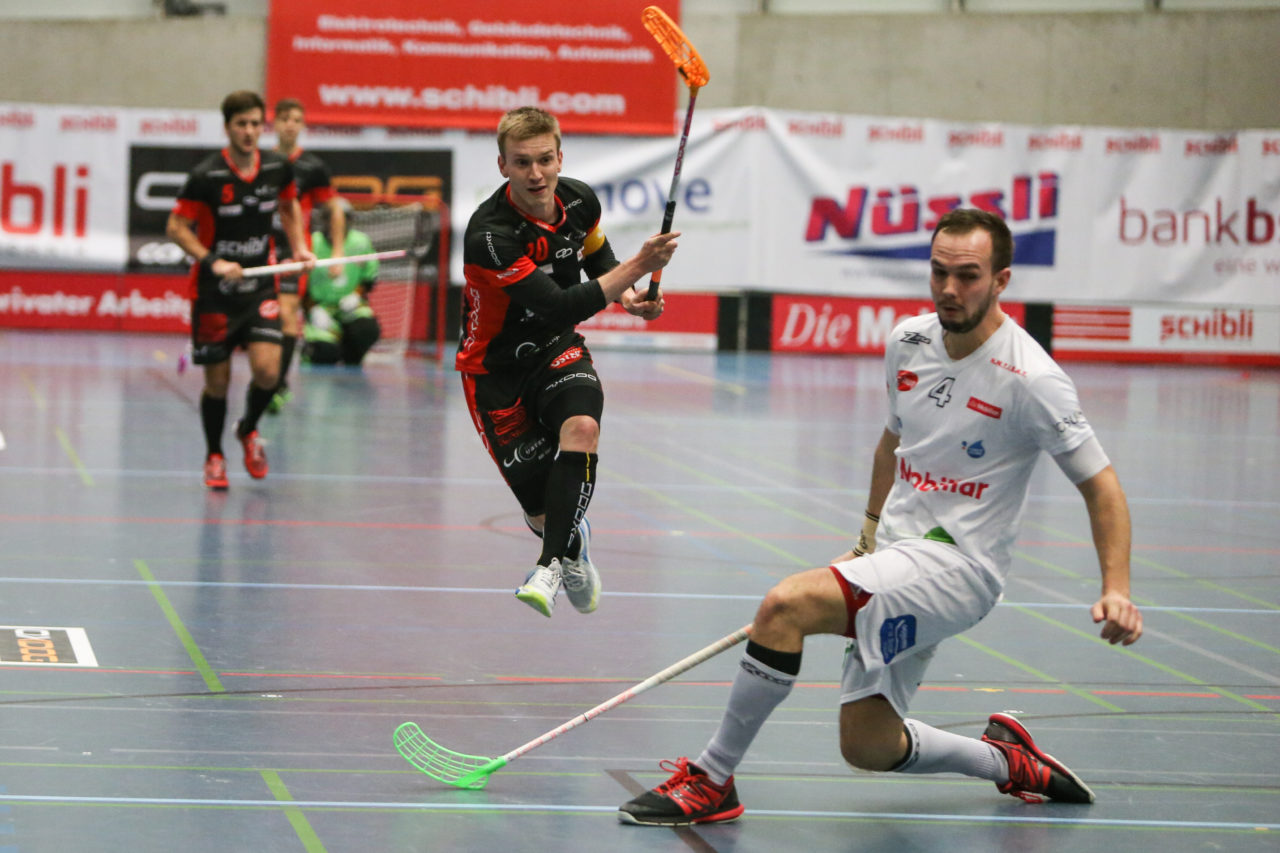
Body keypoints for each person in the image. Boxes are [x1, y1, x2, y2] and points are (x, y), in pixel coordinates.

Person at [618, 208, 1144, 826]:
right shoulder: (908, 343)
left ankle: (711, 780)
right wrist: (867, 538)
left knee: (785, 607)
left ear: (1001, 280)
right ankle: (1005, 760)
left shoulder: (1032, 379)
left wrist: (1116, 588)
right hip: (897, 553)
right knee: (869, 745)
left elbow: (1102, 486)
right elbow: (892, 444)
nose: (949, 289)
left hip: (960, 569)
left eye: (968, 276)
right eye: (939, 272)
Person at [458, 106, 677, 618]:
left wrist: (629, 296)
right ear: (502, 166)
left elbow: (595, 254)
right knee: (542, 512)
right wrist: (640, 265)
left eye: (544, 160)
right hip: (495, 372)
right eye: (521, 162)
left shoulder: (579, 200)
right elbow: (557, 303)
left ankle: (550, 566)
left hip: (557, 349)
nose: (535, 173)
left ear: (560, 157)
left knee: (582, 427)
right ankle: (570, 545)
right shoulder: (489, 235)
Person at [166, 90, 314, 490]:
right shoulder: (207, 175)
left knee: (268, 372)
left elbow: (289, 205)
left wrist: (299, 246)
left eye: (254, 124)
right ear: (227, 127)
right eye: (241, 124)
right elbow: (176, 227)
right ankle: (214, 455)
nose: (249, 131)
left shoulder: (277, 167)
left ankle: (248, 429)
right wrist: (213, 260)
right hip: (214, 293)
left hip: (259, 287)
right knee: (217, 383)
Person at [268, 97, 346, 412]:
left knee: (288, 312)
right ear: (275, 123)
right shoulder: (260, 161)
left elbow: (334, 210)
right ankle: (267, 376)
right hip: (261, 247)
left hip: (294, 249)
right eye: (285, 118)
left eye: (296, 120)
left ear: (302, 126)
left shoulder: (313, 167)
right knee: (266, 314)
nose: (290, 125)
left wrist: (337, 251)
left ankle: (277, 383)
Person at [303, 216, 382, 366]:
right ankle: (316, 347)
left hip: (349, 306)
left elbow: (369, 276)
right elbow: (300, 284)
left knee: (367, 329)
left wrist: (356, 295)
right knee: (324, 352)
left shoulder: (361, 242)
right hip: (320, 307)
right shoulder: (313, 242)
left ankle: (351, 356)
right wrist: (312, 309)